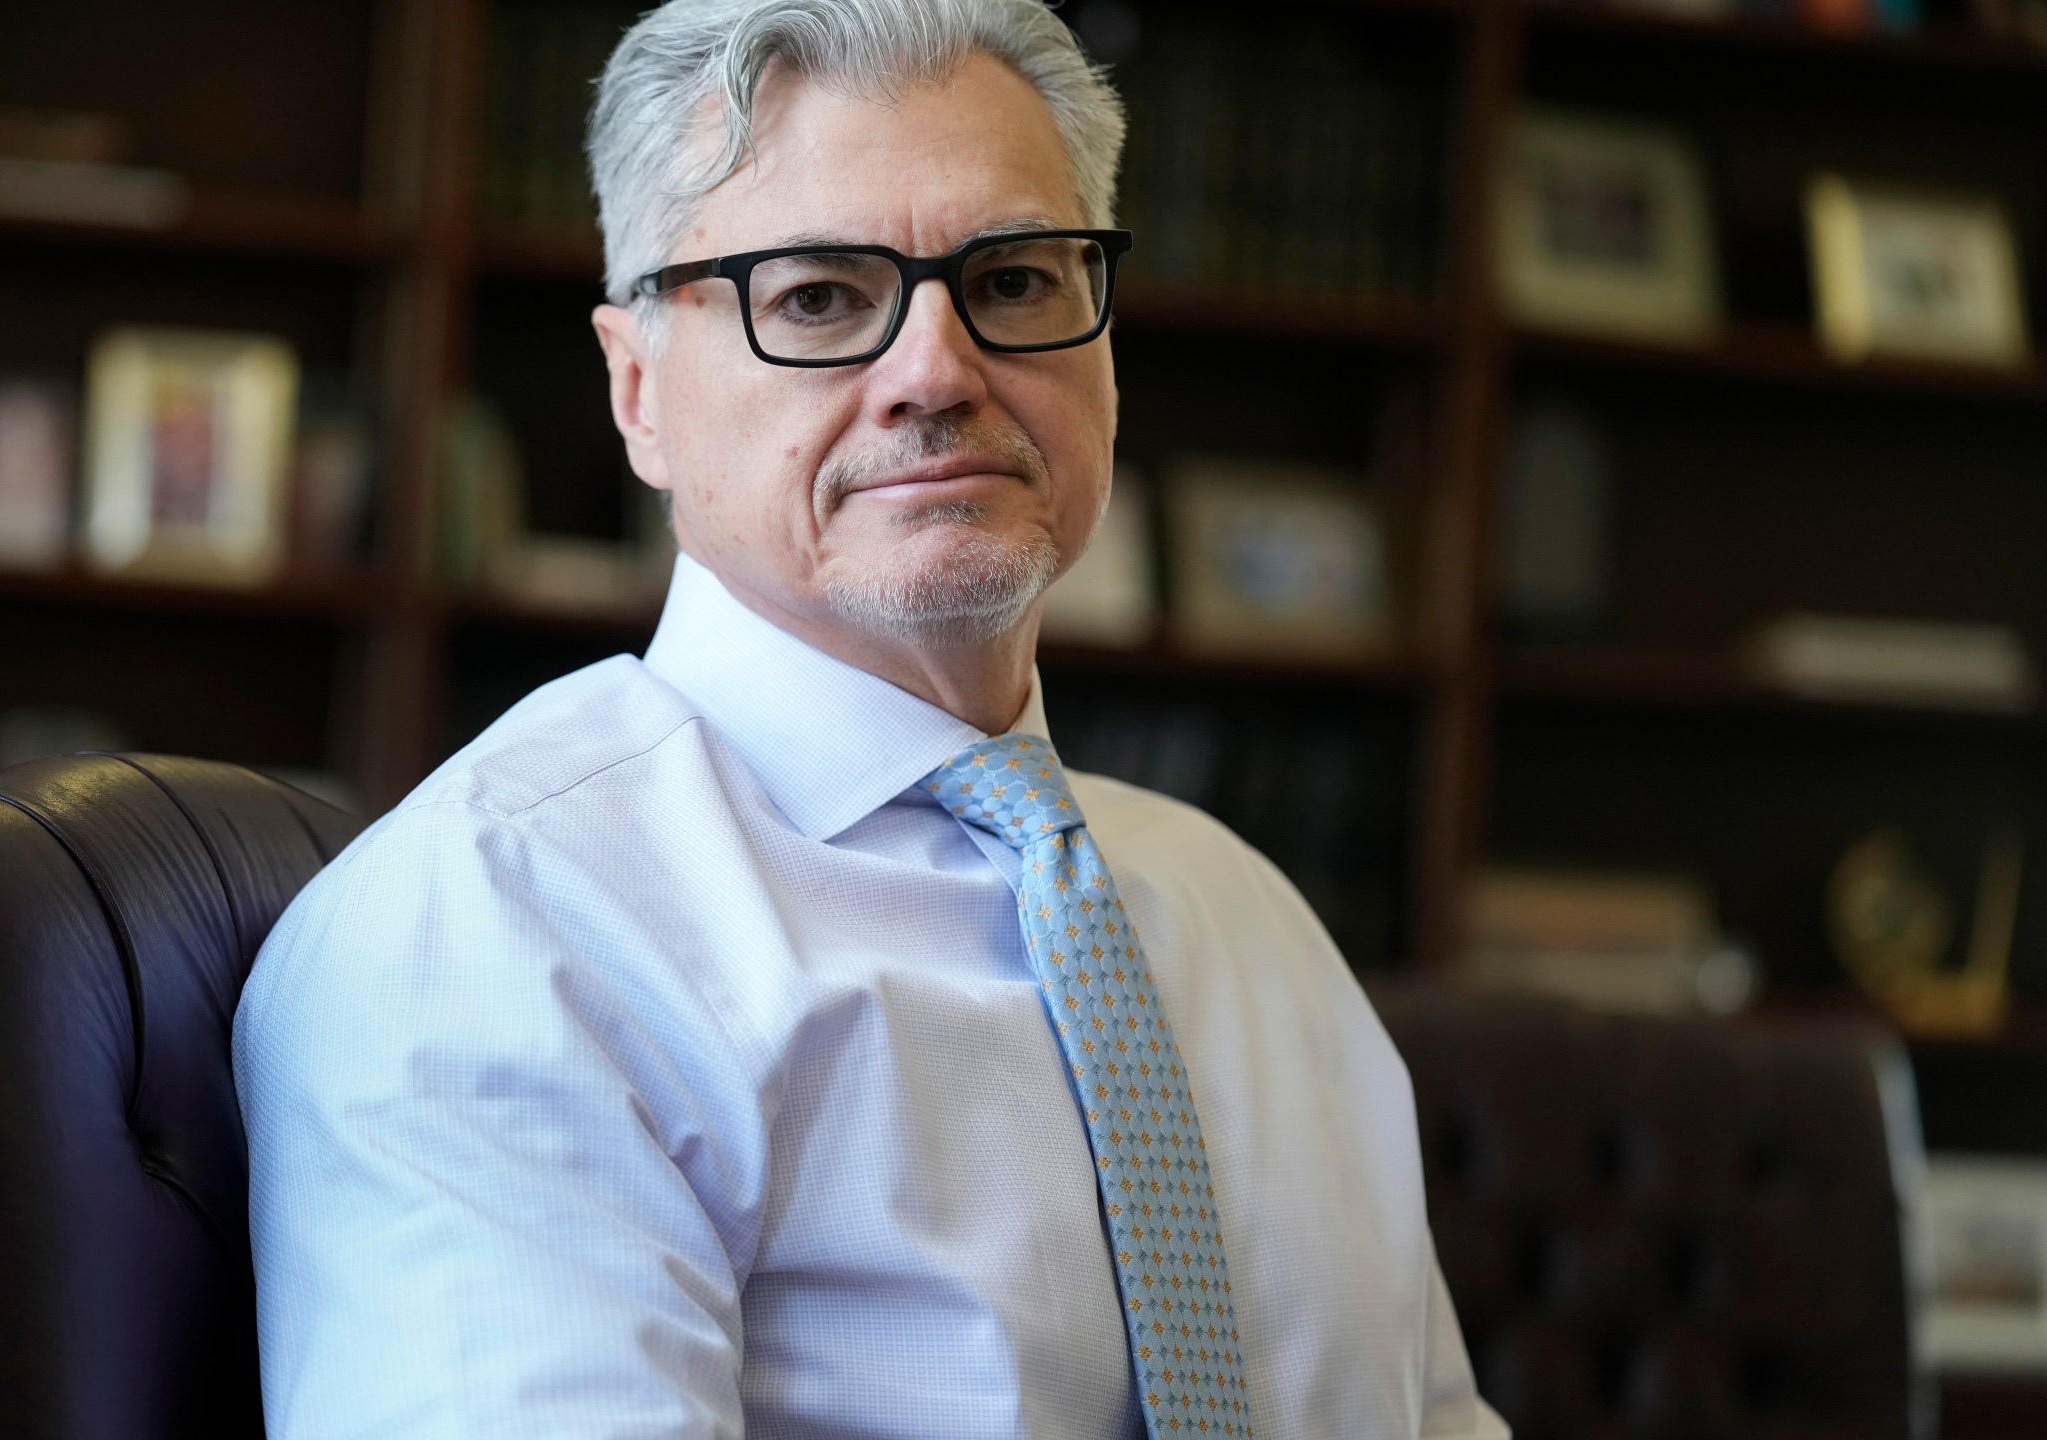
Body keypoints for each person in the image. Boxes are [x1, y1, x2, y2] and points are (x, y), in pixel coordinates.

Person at [235, 1, 1508, 1435]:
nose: (937, 371)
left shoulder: (1246, 914)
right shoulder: (502, 934)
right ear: (638, 389)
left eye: (1015, 280)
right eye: (821, 298)